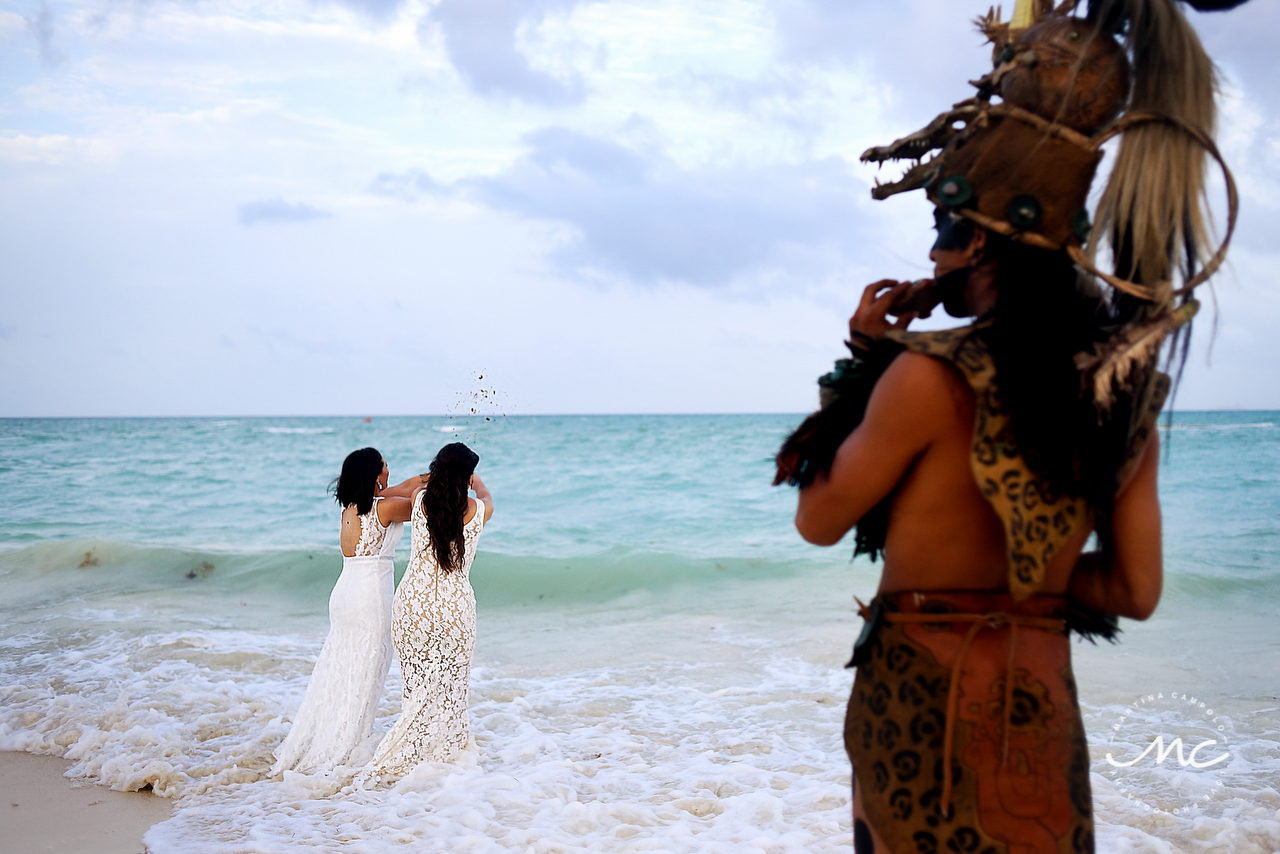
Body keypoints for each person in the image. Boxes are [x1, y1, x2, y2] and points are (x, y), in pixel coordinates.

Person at [774, 1, 1237, 851]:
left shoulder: (925, 376)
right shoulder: (1118, 388)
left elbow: (818, 517)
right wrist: (1030, 594)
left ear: (981, 240)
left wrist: (860, 365)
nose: (934, 259)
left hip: (915, 698)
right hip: (1039, 707)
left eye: (942, 234)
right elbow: (1134, 592)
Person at [270, 447, 422, 777]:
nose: (389, 470)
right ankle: (349, 746)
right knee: (367, 674)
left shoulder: (350, 508)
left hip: (343, 594)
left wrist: (426, 478)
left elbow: (404, 487)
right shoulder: (387, 508)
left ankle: (332, 738)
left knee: (341, 670)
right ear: (375, 474)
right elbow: (421, 506)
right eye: (384, 465)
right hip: (371, 598)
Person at [360, 442, 494, 783]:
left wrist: (433, 477)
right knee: (451, 688)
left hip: (413, 605)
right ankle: (444, 764)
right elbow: (488, 498)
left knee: (415, 689)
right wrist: (476, 482)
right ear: (465, 477)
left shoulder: (421, 502)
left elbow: (399, 493)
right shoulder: (479, 510)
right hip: (454, 609)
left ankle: (408, 758)